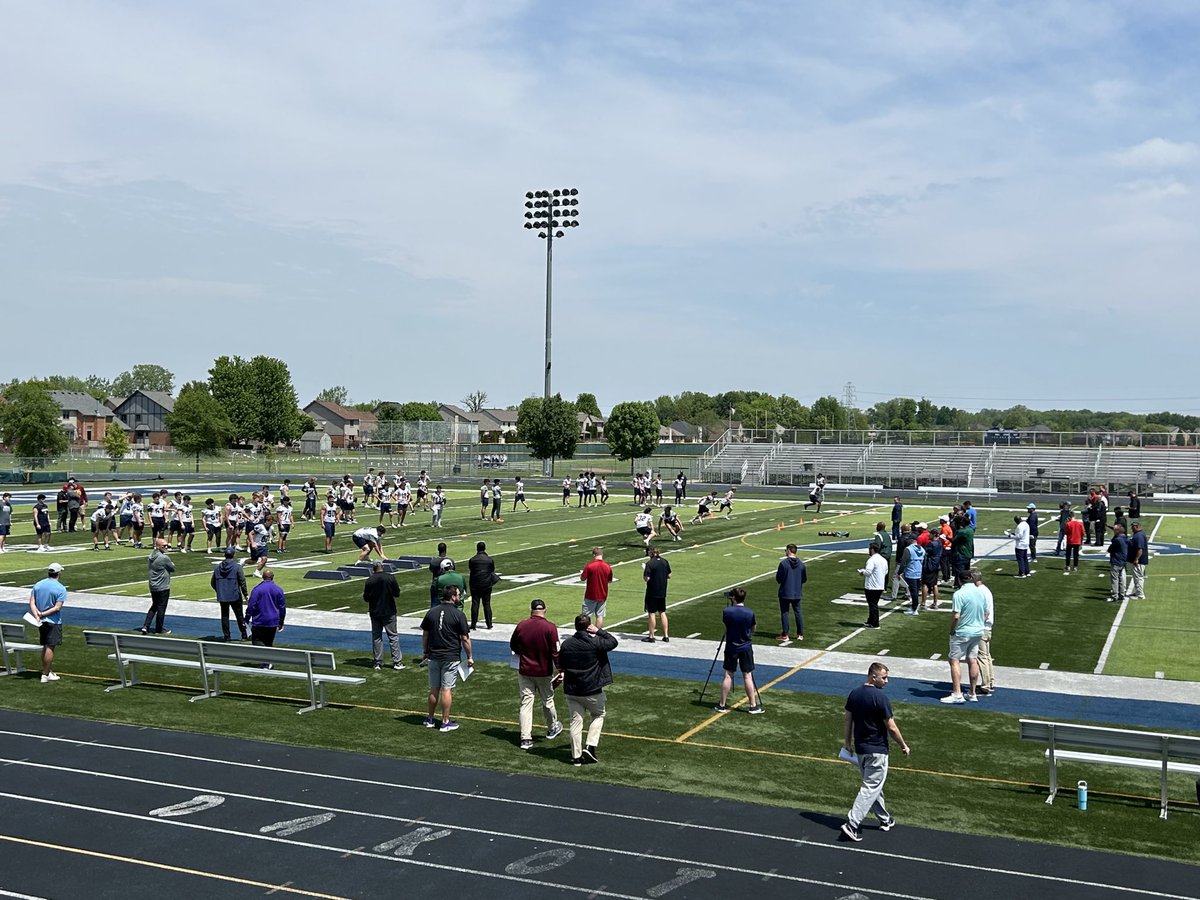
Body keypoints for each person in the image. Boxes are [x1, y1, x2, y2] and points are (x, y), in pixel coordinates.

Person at [840, 662, 909, 842]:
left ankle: (885, 819)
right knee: (870, 787)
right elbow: (891, 727)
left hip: (861, 749)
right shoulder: (880, 698)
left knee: (873, 785)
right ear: (873, 677)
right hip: (877, 750)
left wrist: (847, 742)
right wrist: (903, 745)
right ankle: (852, 824)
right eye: (884, 677)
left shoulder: (854, 694)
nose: (887, 681)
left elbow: (848, 720)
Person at [558, 613, 618, 765]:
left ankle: (576, 756)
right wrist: (599, 631)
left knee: (575, 722)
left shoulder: (567, 644)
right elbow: (613, 642)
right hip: (591, 689)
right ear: (589, 626)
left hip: (572, 690)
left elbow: (561, 664)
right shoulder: (595, 643)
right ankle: (590, 746)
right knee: (598, 715)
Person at [510, 598, 564, 750]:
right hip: (543, 670)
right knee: (547, 700)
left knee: (526, 703)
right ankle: (552, 726)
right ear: (544, 610)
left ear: (531, 610)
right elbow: (555, 651)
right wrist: (561, 669)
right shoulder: (550, 627)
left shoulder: (522, 625)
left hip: (525, 669)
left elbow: (513, 644)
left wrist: (524, 653)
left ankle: (525, 737)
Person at [420, 584, 473, 732]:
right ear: (452, 596)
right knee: (446, 689)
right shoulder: (458, 614)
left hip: (434, 655)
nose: (459, 597)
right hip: (450, 656)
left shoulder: (432, 612)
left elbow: (425, 634)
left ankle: (430, 719)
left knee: (433, 689)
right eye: (458, 595)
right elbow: (465, 639)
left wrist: (425, 651)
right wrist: (469, 657)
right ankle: (445, 722)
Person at [940, 567, 988, 703]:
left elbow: (956, 616)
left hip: (962, 632)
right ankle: (972, 693)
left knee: (954, 660)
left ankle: (957, 693)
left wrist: (952, 630)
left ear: (960, 580)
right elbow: (986, 613)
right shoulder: (980, 593)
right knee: (972, 659)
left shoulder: (959, 594)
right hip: (978, 631)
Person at [715, 587, 763, 713]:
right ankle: (753, 705)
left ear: (733, 598)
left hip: (731, 646)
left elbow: (726, 624)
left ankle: (722, 704)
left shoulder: (727, 611)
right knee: (747, 675)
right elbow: (753, 629)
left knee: (728, 675)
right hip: (746, 646)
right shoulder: (749, 612)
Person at [28, 562, 68, 683]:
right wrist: (43, 614)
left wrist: (37, 615)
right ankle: (45, 674)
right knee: (50, 647)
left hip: (40, 622)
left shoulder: (39, 584)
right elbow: (57, 607)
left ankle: (46, 670)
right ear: (59, 573)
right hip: (53, 621)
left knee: (45, 645)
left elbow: (32, 602)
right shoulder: (60, 588)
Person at [363, 561, 404, 670]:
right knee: (393, 636)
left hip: (375, 611)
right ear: (383, 567)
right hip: (389, 611)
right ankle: (397, 662)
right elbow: (397, 593)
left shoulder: (370, 580)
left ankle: (377, 662)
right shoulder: (390, 578)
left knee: (377, 637)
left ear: (373, 569)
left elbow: (366, 598)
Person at [211, 546, 249, 641]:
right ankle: (244, 635)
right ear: (233, 555)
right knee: (239, 615)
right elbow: (242, 582)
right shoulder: (237, 567)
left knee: (224, 616)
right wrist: (245, 594)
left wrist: (219, 590)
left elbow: (212, 582)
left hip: (223, 596)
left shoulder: (218, 567)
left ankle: (227, 636)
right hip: (235, 595)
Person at [141, 537, 175, 635]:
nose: (166, 547)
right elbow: (172, 568)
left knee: (154, 606)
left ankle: (145, 626)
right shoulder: (164, 558)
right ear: (157, 546)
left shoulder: (151, 556)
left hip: (153, 585)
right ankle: (159, 628)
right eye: (164, 545)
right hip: (163, 586)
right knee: (161, 608)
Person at [246, 568, 286, 649]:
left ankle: (265, 660)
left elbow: (251, 605)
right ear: (272, 577)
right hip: (273, 621)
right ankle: (267, 660)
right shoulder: (278, 590)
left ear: (263, 577)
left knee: (257, 641)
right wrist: (281, 621)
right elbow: (282, 607)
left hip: (259, 620)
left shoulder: (257, 589)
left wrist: (247, 618)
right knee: (269, 643)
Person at [775, 543, 808, 641]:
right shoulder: (801, 564)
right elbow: (804, 579)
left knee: (785, 613)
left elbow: (779, 579)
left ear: (789, 550)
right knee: (798, 612)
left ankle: (785, 634)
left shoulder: (783, 564)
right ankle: (800, 634)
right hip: (797, 592)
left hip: (785, 591)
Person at [974, 571, 997, 696]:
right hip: (987, 627)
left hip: (982, 627)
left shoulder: (980, 592)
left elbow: (985, 612)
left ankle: (985, 685)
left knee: (982, 657)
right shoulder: (986, 590)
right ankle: (990, 681)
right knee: (986, 656)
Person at [468, 541, 500, 630]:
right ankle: (489, 624)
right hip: (486, 584)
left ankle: (473, 624)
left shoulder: (472, 559)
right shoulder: (489, 560)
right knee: (486, 604)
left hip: (475, 584)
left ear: (477, 549)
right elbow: (492, 570)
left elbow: (471, 569)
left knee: (475, 604)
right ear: (484, 548)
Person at [642, 547, 671, 642]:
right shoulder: (664, 561)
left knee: (652, 613)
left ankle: (651, 636)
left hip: (652, 592)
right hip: (662, 591)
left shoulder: (650, 563)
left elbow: (647, 578)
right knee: (662, 612)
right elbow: (669, 575)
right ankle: (666, 635)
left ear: (651, 553)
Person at [580, 546, 613, 629]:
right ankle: (598, 633)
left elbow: (582, 578)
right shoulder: (607, 567)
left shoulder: (590, 566)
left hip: (591, 594)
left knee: (586, 616)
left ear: (594, 555)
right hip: (603, 594)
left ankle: (585, 633)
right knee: (600, 615)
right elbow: (609, 580)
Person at [859, 543, 888, 628]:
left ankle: (875, 623)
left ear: (872, 549)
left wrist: (862, 572)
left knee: (872, 604)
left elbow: (868, 572)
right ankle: (870, 620)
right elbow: (885, 572)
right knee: (874, 603)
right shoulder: (883, 560)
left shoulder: (871, 560)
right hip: (880, 585)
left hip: (872, 586)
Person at [1107, 523, 1129, 602]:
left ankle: (1115, 595)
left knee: (1115, 579)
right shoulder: (1125, 538)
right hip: (1123, 561)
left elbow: (1110, 549)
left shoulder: (1117, 540)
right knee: (1121, 578)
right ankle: (1122, 594)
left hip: (1116, 560)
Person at [1128, 521, 1148, 599]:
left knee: (1138, 577)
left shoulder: (1138, 536)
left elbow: (1140, 549)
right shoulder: (1139, 534)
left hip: (1139, 561)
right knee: (1137, 577)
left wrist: (1136, 559)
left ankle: (1140, 594)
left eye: (1133, 527)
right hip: (1139, 560)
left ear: (1136, 526)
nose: (1132, 529)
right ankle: (1137, 592)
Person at [1062, 508, 1084, 574]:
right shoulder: (1079, 523)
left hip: (1070, 540)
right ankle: (1075, 566)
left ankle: (1068, 566)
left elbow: (1066, 532)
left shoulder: (1068, 524)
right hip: (1077, 540)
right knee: (1076, 554)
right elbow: (1083, 532)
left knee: (1068, 554)